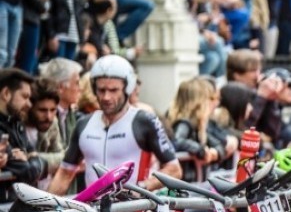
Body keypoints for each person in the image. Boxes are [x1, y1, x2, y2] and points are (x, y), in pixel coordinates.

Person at [47, 55, 181, 195]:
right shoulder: (83, 124)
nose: (106, 97)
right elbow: (64, 174)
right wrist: (44, 208)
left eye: (113, 90)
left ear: (127, 89)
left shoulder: (144, 120)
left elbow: (174, 169)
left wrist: (142, 188)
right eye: (101, 90)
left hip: (134, 211)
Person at [0, 68, 46, 201]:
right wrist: (30, 160)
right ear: (6, 93)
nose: (29, 104)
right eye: (25, 97)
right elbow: (27, 170)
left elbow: (41, 163)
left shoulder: (17, 123)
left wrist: (29, 159)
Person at [25, 77, 65, 181]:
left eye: (53, 110)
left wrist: (33, 158)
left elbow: (63, 158)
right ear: (30, 106)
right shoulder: (16, 126)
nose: (49, 116)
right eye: (42, 110)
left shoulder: (52, 122)